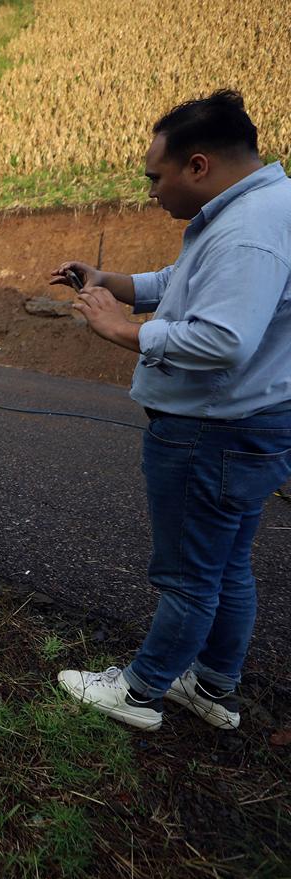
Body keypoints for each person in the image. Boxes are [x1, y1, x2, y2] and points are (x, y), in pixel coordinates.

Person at [49, 89, 291, 731]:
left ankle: (138, 694)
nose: (151, 191)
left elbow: (222, 339)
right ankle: (211, 687)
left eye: (156, 177)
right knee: (225, 563)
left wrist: (121, 330)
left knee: (188, 573)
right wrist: (109, 282)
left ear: (199, 165)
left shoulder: (249, 232)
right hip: (248, 424)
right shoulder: (251, 210)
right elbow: (182, 281)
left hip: (212, 432)